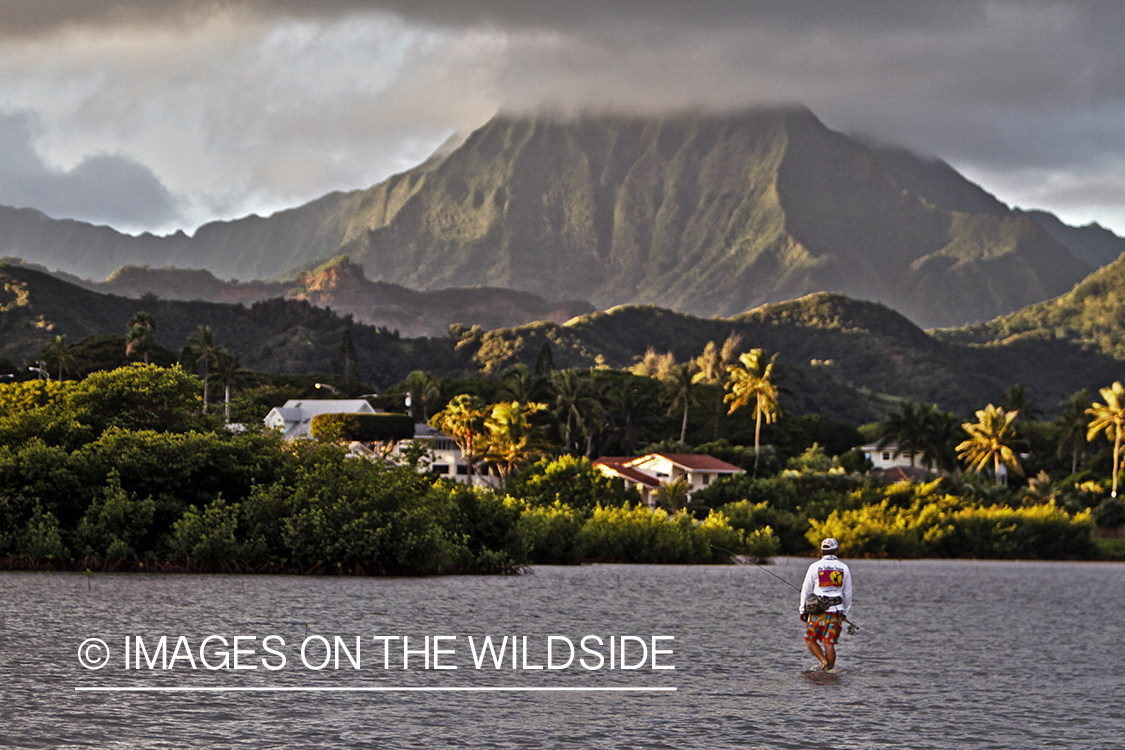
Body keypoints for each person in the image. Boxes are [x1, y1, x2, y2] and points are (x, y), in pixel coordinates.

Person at [798, 537, 852, 671]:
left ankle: (823, 662)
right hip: (836, 611)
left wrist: (802, 610)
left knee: (809, 638)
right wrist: (845, 612)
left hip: (818, 612)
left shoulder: (814, 567)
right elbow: (848, 593)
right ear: (836, 551)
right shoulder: (844, 568)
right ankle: (830, 673)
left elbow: (806, 590)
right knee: (829, 644)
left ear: (821, 551)